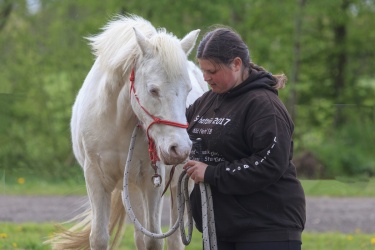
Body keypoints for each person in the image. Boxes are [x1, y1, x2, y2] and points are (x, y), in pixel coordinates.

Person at [183, 27, 306, 250]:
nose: (205, 77)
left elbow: (270, 163)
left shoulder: (264, 106)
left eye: (212, 70)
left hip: (267, 228)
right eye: (203, 70)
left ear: (236, 64)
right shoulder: (207, 102)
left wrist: (211, 173)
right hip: (221, 228)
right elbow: (178, 129)